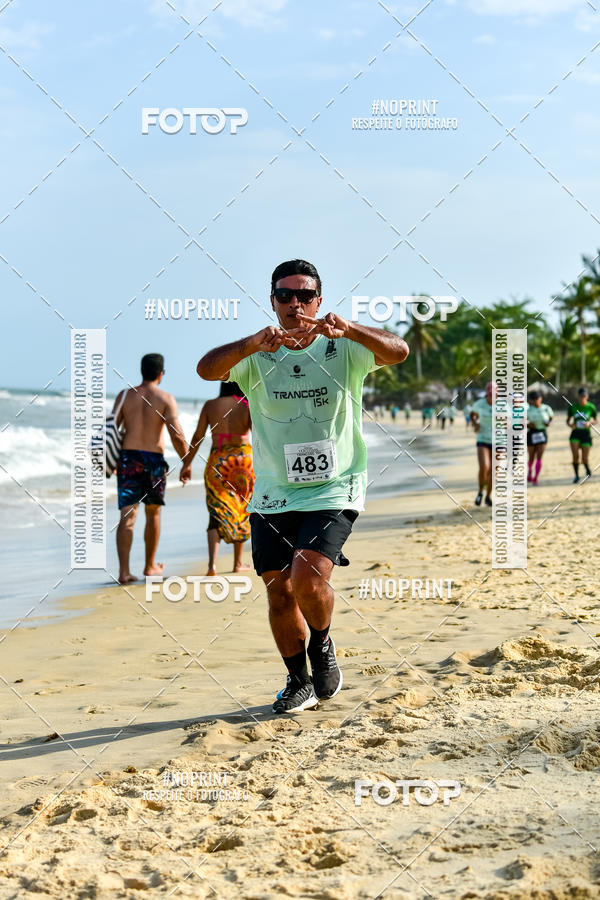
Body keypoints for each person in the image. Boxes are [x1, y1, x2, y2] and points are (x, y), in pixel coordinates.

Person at [197, 259, 409, 714]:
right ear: (272, 301)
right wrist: (251, 342)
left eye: (304, 295)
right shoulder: (256, 356)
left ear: (319, 300)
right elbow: (206, 370)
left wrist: (351, 330)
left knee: (307, 576)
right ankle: (298, 682)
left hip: (336, 485)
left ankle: (323, 643)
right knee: (279, 590)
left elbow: (399, 351)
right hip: (273, 491)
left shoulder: (344, 348)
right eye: (285, 295)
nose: (295, 304)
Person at [113, 353, 189, 584]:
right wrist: (186, 461)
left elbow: (110, 430)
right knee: (153, 512)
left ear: (142, 371)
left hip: (129, 458)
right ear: (160, 374)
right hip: (154, 460)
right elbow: (176, 434)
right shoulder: (165, 398)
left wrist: (112, 460)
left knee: (127, 514)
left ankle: (124, 572)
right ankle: (149, 566)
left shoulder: (125, 395)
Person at [182, 382, 254, 575]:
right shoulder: (247, 404)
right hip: (243, 464)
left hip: (218, 462)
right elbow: (260, 435)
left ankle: (212, 566)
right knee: (241, 509)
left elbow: (198, 437)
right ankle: (237, 563)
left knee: (215, 512)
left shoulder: (210, 405)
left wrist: (187, 464)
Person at [470, 382, 497, 507]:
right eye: (488, 388)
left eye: (494, 389)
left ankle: (488, 496)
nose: (491, 391)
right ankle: (481, 491)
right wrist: (475, 423)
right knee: (484, 467)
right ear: (486, 391)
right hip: (483, 439)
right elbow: (472, 415)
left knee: (493, 471)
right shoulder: (479, 404)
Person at [567, 387, 597, 483]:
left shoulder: (591, 407)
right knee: (575, 456)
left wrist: (590, 423)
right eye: (580, 396)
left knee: (584, 458)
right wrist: (570, 424)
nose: (582, 398)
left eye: (584, 396)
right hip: (575, 433)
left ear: (587, 397)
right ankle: (576, 475)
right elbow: (568, 420)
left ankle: (587, 469)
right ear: (578, 397)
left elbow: (596, 419)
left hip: (586, 434)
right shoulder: (573, 406)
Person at [527, 391, 553, 485]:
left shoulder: (546, 408)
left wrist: (548, 423)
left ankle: (536, 477)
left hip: (542, 433)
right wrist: (529, 425)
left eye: (537, 399)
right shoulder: (528, 410)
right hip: (532, 433)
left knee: (539, 456)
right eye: (534, 400)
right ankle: (529, 471)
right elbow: (523, 421)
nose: (536, 401)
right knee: (531, 456)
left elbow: (551, 418)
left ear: (540, 399)